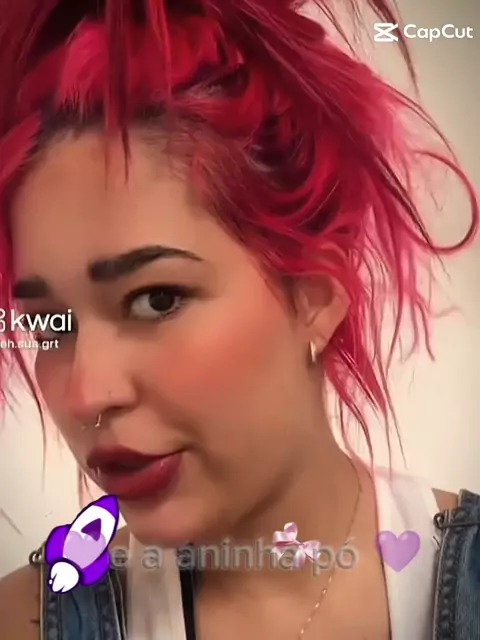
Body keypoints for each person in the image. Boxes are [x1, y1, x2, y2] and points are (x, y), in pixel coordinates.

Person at [0, 0, 478, 638]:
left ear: (315, 296)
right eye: (49, 324)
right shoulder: (27, 621)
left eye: (156, 299)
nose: (85, 395)